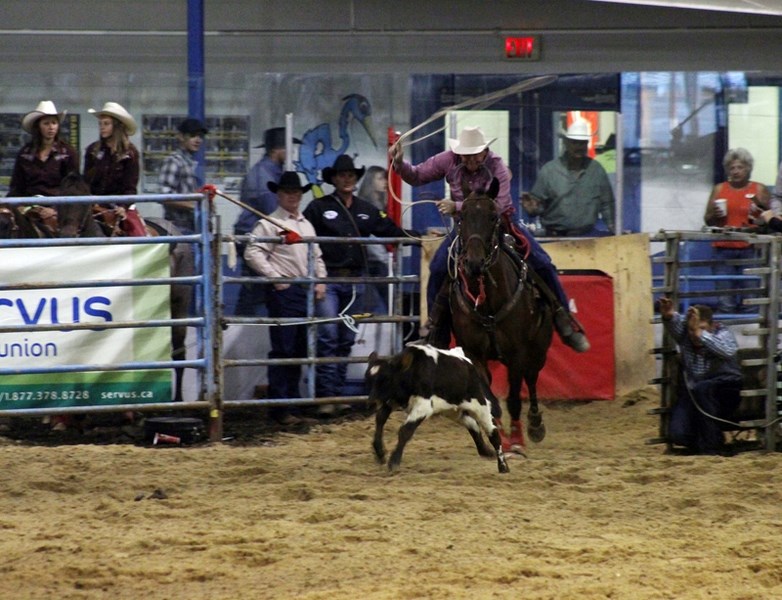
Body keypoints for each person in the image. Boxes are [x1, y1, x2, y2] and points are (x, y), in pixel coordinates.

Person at [391, 125, 589, 353]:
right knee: (438, 268)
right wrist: (399, 164)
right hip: (467, 228)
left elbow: (500, 205)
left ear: (485, 152)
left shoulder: (498, 167)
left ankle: (563, 318)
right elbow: (416, 176)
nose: (470, 160)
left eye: (475, 155)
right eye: (466, 156)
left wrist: (455, 206)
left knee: (542, 262)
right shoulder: (448, 160)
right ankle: (436, 331)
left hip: (501, 223)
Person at [303, 154, 409, 404]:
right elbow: (304, 234)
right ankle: (326, 396)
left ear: (355, 178)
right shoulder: (319, 207)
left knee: (345, 338)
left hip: (356, 282)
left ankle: (334, 395)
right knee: (329, 335)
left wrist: (416, 237)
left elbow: (390, 230)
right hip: (328, 279)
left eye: (351, 175)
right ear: (334, 179)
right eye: (342, 175)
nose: (347, 179)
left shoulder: (365, 210)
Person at [244, 171, 327, 424]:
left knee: (299, 348)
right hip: (287, 291)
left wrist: (320, 280)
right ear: (279, 195)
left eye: (296, 192)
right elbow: (252, 252)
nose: (293, 196)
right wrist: (276, 278)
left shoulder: (304, 224)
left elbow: (317, 255)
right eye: (288, 192)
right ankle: (282, 407)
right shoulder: (269, 223)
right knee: (285, 348)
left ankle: (292, 404)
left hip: (303, 290)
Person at [658, 297, 742, 455]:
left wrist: (699, 333)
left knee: (704, 389)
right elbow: (674, 324)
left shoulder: (723, 333)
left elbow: (726, 351)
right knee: (678, 434)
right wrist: (669, 315)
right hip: (696, 391)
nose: (695, 335)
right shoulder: (686, 335)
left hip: (725, 389)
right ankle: (705, 441)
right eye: (692, 330)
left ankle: (712, 446)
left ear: (712, 326)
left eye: (702, 328)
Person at [234, 127, 302, 316]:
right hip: (257, 237)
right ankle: (238, 326)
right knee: (256, 289)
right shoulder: (264, 175)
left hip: (260, 235)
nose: (291, 153)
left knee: (259, 289)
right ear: (277, 150)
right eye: (288, 148)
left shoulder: (267, 172)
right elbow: (273, 211)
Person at [703, 148, 770, 314]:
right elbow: (707, 219)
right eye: (732, 168)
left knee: (752, 298)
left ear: (748, 169)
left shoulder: (759, 189)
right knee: (725, 299)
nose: (736, 171)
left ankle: (753, 335)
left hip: (751, 249)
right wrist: (715, 214)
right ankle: (726, 336)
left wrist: (758, 221)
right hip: (722, 248)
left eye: (740, 167)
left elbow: (769, 220)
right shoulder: (719, 189)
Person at [522, 119, 615, 237]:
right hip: (553, 238)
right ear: (566, 143)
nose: (579, 146)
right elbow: (537, 206)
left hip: (587, 238)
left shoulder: (596, 170)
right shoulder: (550, 171)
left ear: (587, 144)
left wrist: (613, 230)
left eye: (582, 143)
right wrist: (532, 210)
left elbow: (607, 204)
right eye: (575, 142)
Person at [83, 102, 146, 236]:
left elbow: (130, 187)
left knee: (138, 234)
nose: (102, 127)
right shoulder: (93, 150)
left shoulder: (130, 153)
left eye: (106, 124)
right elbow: (85, 182)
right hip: (93, 204)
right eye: (100, 124)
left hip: (118, 206)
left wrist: (123, 207)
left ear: (116, 126)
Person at [8, 100, 79, 199]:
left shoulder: (68, 152)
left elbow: (73, 188)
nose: (51, 127)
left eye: (54, 123)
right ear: (38, 127)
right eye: (46, 123)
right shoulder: (25, 153)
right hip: (29, 205)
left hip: (59, 206)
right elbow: (17, 186)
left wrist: (56, 209)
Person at [158, 117, 209, 233]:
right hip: (177, 226)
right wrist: (193, 205)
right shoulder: (174, 161)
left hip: (191, 226)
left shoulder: (189, 163)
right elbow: (164, 196)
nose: (198, 140)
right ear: (181, 136)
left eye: (200, 136)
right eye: (192, 135)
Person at [357, 165, 391, 311]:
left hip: (381, 260)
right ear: (371, 181)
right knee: (378, 307)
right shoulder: (367, 206)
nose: (385, 182)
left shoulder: (383, 205)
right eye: (380, 178)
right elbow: (372, 236)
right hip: (373, 261)